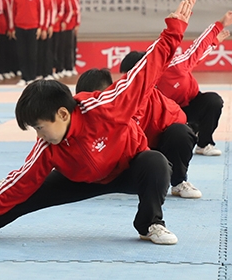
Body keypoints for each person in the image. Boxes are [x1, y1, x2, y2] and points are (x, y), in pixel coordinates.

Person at [0, 0, 200, 245]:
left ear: (63, 114)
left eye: (40, 127)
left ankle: (150, 224)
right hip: (77, 179)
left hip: (126, 171)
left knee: (156, 162)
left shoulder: (107, 107)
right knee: (5, 205)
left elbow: (145, 69)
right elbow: (17, 185)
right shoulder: (47, 147)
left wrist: (175, 28)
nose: (39, 135)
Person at [122, 8, 232, 156]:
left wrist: (220, 26)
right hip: (169, 114)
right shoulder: (136, 88)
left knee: (214, 101)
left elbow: (197, 50)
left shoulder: (174, 67)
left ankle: (204, 144)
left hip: (191, 104)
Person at [75, 67, 201, 198]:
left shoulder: (144, 99)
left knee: (180, 132)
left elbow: (180, 119)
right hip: (114, 162)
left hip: (148, 154)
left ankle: (178, 182)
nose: (91, 107)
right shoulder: (76, 115)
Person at [12, 0, 44, 85]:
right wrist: (13, 28)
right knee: (21, 53)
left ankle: (31, 76)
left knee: (32, 53)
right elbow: (13, 13)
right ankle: (24, 77)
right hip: (20, 28)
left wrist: (40, 27)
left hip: (33, 27)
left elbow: (41, 11)